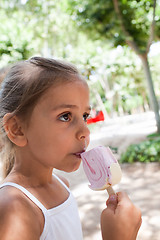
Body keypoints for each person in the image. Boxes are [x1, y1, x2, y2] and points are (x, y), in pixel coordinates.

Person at [0, 56, 141, 240]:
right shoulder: (14, 209)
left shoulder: (61, 185)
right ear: (17, 129)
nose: (85, 131)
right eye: (65, 116)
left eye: (84, 116)